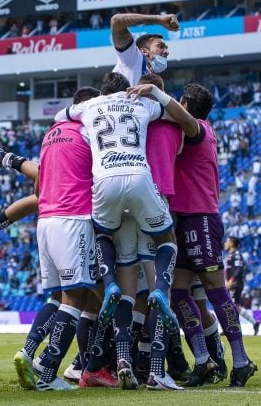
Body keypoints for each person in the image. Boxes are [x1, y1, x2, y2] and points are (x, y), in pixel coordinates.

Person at [58, 72, 198, 390]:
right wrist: (156, 95)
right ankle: (157, 370)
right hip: (145, 189)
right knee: (162, 255)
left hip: (106, 186)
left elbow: (60, 117)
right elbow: (189, 122)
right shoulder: (152, 110)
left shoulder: (90, 106)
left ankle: (121, 356)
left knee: (116, 268)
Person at [10, 86, 101, 391]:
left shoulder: (51, 135)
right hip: (73, 219)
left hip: (45, 221)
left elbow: (37, 189)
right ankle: (48, 372)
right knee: (75, 297)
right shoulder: (88, 132)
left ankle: (28, 352)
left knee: (56, 296)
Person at [169, 83, 257, 388]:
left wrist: (156, 95)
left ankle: (242, 360)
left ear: (186, 103)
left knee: (216, 290)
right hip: (182, 219)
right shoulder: (195, 131)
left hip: (201, 218)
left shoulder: (199, 129)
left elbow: (185, 120)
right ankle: (204, 360)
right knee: (176, 292)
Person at [110, 12, 179, 86]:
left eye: (166, 48)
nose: (167, 52)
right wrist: (159, 19)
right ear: (144, 51)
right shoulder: (133, 58)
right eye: (160, 46)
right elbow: (116, 21)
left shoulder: (150, 76)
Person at [225, 236, 261, 336]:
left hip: (235, 284)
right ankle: (254, 323)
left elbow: (239, 268)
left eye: (227, 241)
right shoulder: (231, 254)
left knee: (232, 306)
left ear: (232, 243)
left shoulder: (236, 254)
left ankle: (232, 329)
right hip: (232, 283)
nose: (225, 243)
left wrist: (231, 280)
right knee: (235, 306)